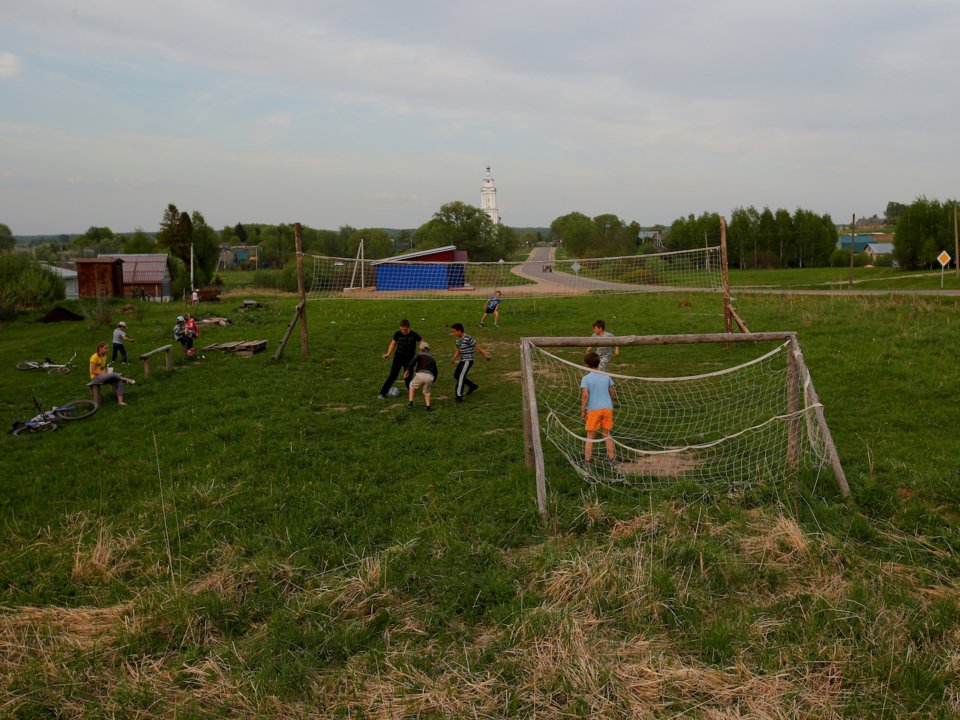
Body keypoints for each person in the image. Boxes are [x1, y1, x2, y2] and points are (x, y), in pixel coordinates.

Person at [580, 351, 616, 464]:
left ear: (586, 365)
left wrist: (583, 410)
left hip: (594, 410)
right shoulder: (606, 376)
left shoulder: (586, 378)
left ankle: (587, 460)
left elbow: (585, 395)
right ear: (599, 362)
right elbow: (612, 392)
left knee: (590, 435)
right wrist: (612, 398)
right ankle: (611, 459)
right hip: (607, 409)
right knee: (607, 434)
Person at [379, 319, 423, 399]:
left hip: (409, 359)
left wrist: (420, 355)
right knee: (393, 375)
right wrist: (388, 354)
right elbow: (393, 343)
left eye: (405, 329)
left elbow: (422, 343)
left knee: (408, 376)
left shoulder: (414, 334)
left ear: (408, 327)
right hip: (398, 358)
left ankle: (409, 389)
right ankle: (382, 393)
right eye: (401, 329)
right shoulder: (397, 334)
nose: (403, 331)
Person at [449, 322, 491, 402]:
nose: (453, 333)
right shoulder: (458, 339)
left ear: (459, 331)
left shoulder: (468, 338)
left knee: (461, 377)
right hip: (462, 360)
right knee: (456, 375)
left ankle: (458, 396)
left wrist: (486, 355)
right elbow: (458, 350)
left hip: (468, 360)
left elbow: (477, 346)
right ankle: (472, 386)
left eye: (454, 332)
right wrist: (453, 358)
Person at [90, 342, 133, 406]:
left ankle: (120, 402)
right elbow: (92, 371)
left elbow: (102, 368)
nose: (107, 350)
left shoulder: (104, 355)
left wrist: (107, 372)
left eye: (107, 348)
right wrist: (105, 373)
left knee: (119, 381)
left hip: (104, 376)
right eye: (106, 348)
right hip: (95, 378)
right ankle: (125, 379)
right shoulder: (94, 357)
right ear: (100, 348)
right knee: (114, 375)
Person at [403, 341, 438, 411]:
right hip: (430, 377)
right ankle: (428, 407)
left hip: (420, 374)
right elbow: (436, 371)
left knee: (412, 386)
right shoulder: (432, 358)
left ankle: (410, 403)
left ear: (421, 349)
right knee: (427, 392)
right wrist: (434, 379)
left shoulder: (419, 355)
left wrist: (407, 370)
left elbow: (413, 362)